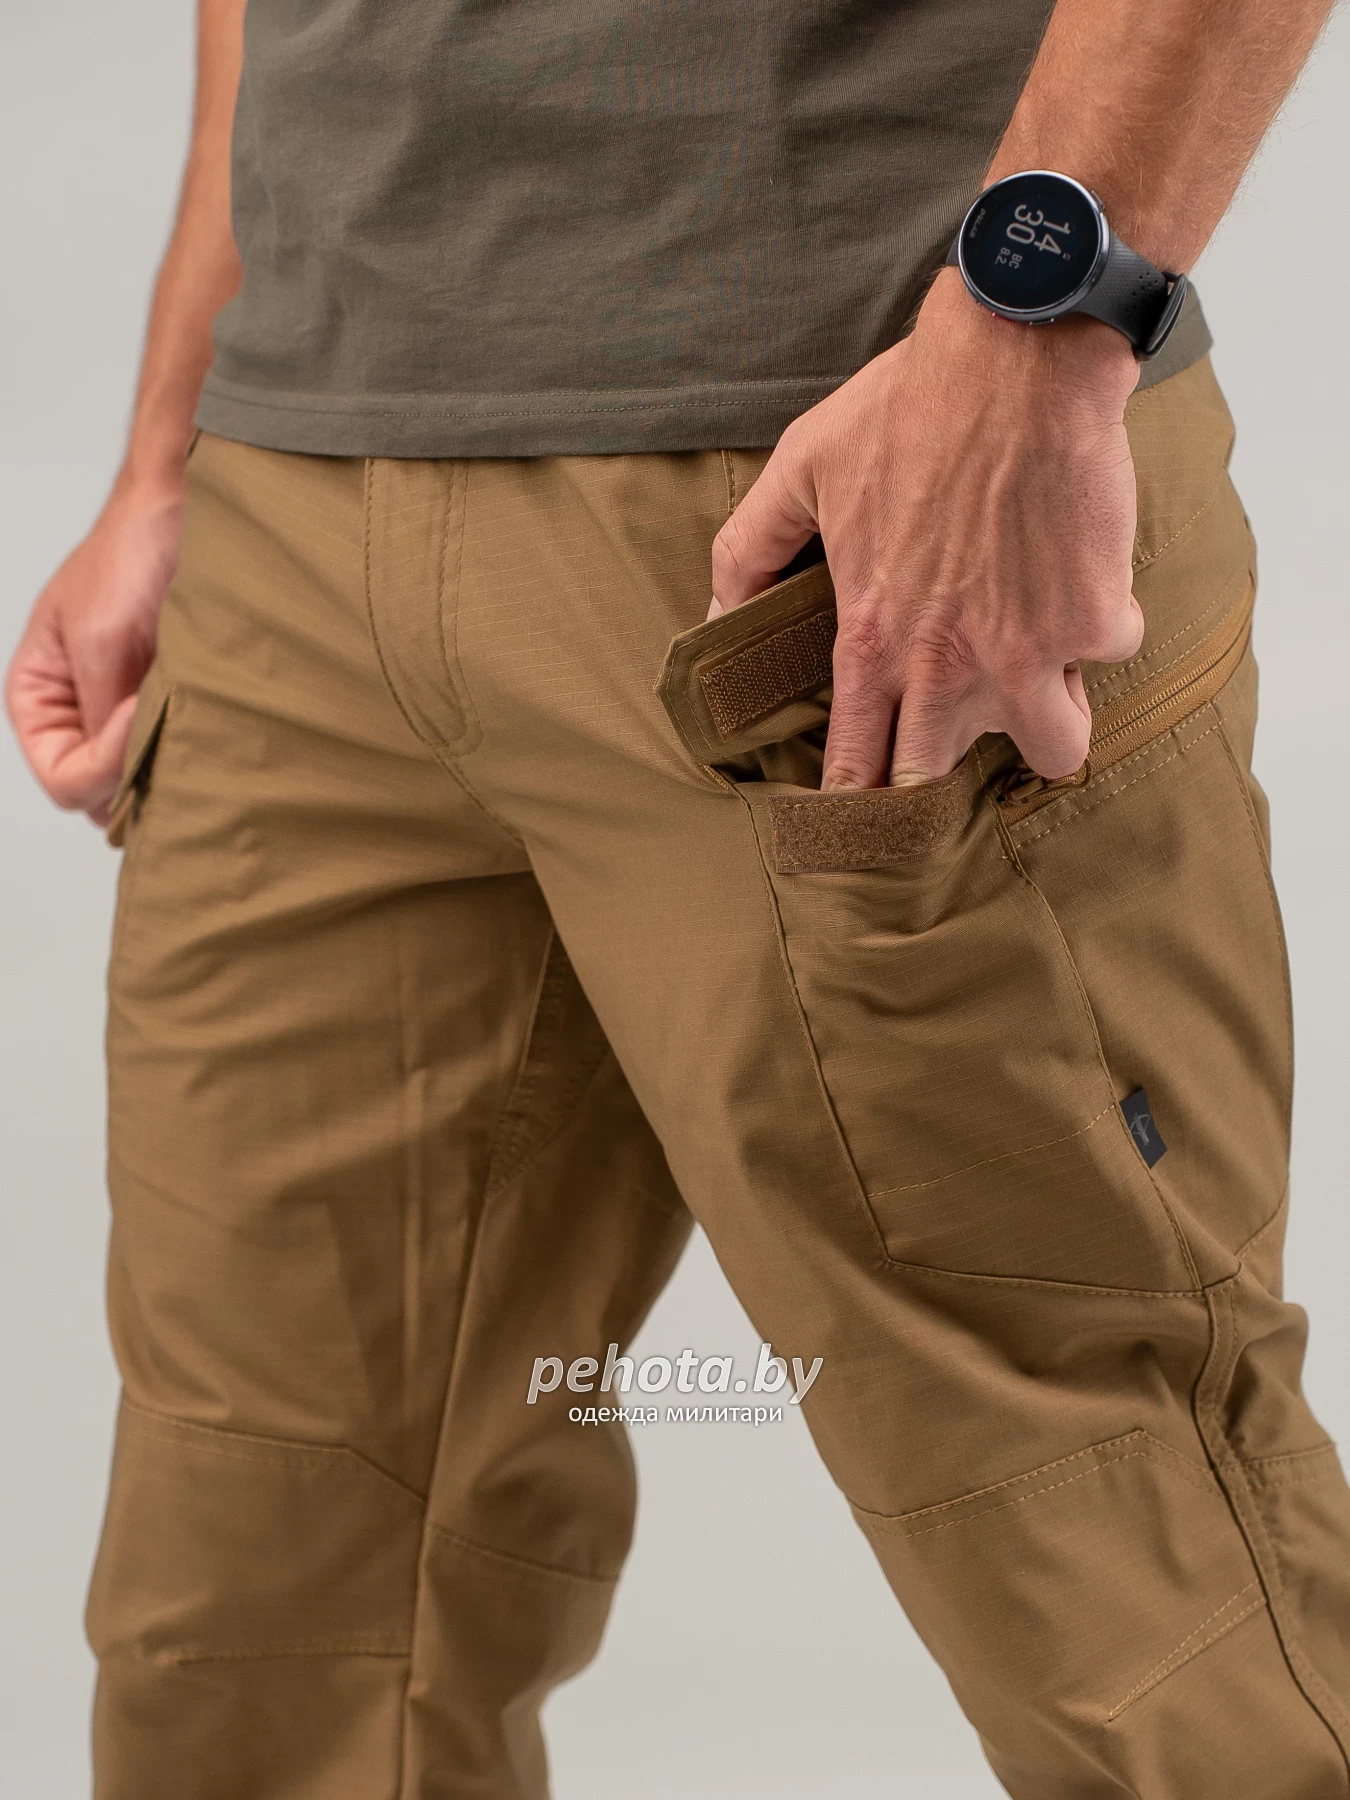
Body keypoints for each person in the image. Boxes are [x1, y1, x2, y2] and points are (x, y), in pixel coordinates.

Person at [8, 0, 1350, 1792]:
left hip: (837, 512)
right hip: (294, 508)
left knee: (1137, 1571)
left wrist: (1032, 328)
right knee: (258, 1621)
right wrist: (172, 446)